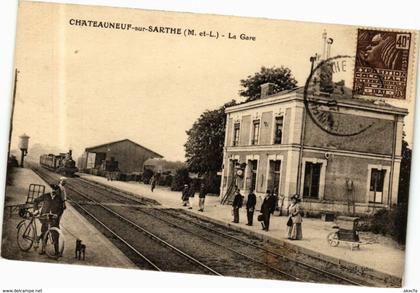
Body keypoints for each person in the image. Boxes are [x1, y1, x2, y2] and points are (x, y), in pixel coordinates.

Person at [33, 184, 65, 256]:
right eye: (52, 189)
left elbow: (61, 209)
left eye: (55, 190)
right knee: (44, 233)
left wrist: (57, 215)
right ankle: (43, 249)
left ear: (57, 191)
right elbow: (35, 201)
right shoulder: (46, 196)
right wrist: (36, 210)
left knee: (55, 235)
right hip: (44, 218)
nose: (53, 191)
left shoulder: (59, 199)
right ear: (50, 189)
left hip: (54, 219)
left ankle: (57, 252)